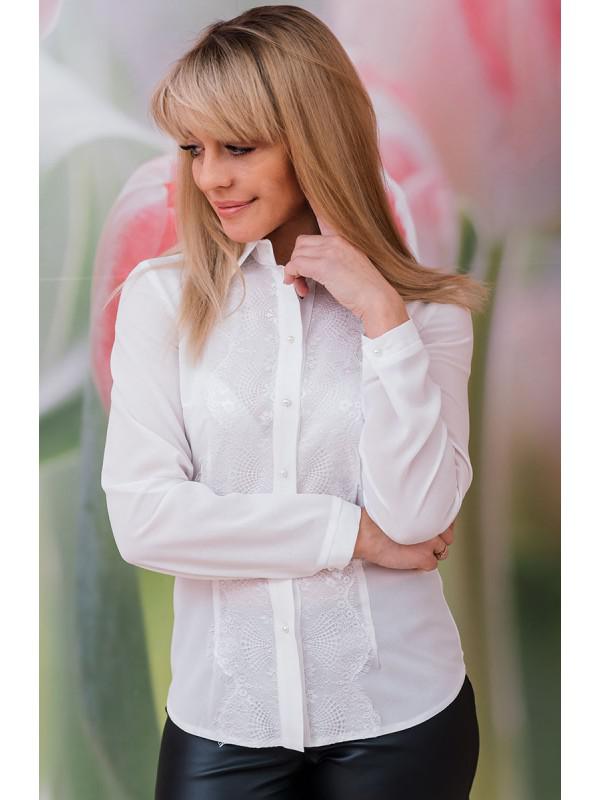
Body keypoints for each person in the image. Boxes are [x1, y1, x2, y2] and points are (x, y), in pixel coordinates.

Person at [100, 5, 490, 799]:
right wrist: (349, 534)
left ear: (315, 139)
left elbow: (418, 517)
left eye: (238, 148)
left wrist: (380, 316)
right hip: (224, 723)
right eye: (194, 148)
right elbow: (145, 520)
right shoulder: (159, 299)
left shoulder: (428, 314)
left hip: (405, 722)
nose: (210, 177)